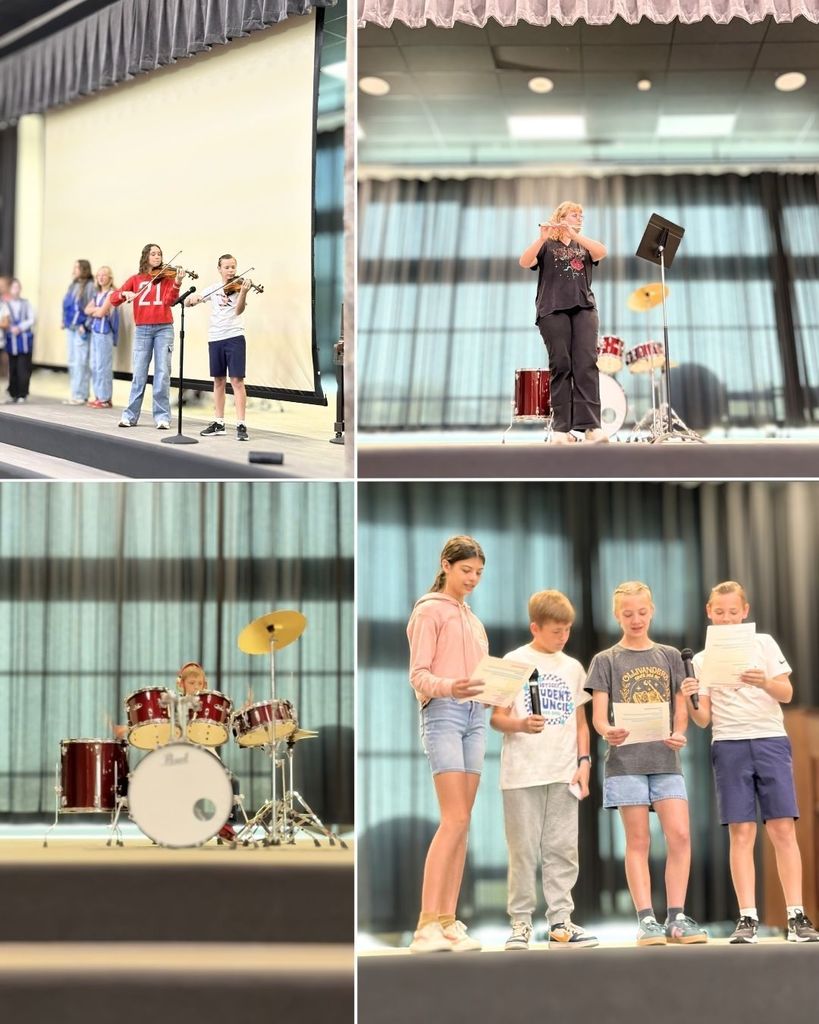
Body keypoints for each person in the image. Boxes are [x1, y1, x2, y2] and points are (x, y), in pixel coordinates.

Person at [682, 581, 819, 943]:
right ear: (709, 612)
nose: (726, 618)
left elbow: (787, 693)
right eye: (719, 612)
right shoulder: (701, 659)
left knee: (782, 828)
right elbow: (702, 719)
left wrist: (764, 682)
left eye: (733, 612)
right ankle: (747, 917)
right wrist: (691, 698)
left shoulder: (764, 643)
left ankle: (796, 915)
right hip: (728, 744)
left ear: (745, 612)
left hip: (770, 739)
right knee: (742, 832)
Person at [586, 580, 707, 946]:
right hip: (626, 761)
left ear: (652, 611)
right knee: (637, 840)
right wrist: (609, 731)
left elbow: (680, 710)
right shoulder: (605, 660)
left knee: (680, 835)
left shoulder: (670, 655)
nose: (635, 619)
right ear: (616, 615)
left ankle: (676, 916)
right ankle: (645, 919)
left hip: (666, 760)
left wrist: (680, 733)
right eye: (627, 614)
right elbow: (599, 716)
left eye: (641, 612)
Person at [491, 589, 597, 951]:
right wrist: (520, 725)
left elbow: (582, 724)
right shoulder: (513, 660)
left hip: (564, 771)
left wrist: (584, 763)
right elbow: (497, 718)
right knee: (522, 851)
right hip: (522, 773)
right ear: (535, 627)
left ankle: (560, 921)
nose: (563, 636)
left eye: (567, 630)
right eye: (555, 630)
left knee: (563, 849)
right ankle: (520, 922)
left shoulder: (573, 667)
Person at [406, 535, 488, 953]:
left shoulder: (474, 621)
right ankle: (425, 925)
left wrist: (495, 692)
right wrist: (452, 687)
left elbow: (479, 678)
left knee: (464, 823)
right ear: (446, 565)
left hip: (477, 716)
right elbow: (418, 675)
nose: (472, 578)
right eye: (465, 570)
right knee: (453, 818)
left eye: (477, 572)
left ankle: (448, 920)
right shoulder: (429, 611)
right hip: (443, 713)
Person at [518, 202, 608, 445]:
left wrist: (576, 234)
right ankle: (561, 429)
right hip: (552, 309)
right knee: (561, 364)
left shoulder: (584, 244)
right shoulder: (547, 245)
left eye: (581, 214)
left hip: (584, 308)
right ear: (561, 216)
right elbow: (525, 262)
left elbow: (601, 252)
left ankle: (591, 427)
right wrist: (541, 238)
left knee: (586, 364)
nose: (579, 216)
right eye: (573, 213)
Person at [107, 243, 183, 429]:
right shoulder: (136, 279)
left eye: (159, 254)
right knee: (139, 374)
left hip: (164, 328)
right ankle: (130, 416)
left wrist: (177, 283)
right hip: (142, 330)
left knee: (163, 373)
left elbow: (170, 301)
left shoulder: (166, 277)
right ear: (146, 257)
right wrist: (125, 293)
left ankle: (162, 417)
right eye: (153, 254)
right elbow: (113, 299)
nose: (157, 257)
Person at [186, 254, 253, 441]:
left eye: (233, 267)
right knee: (218, 381)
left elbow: (239, 310)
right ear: (219, 269)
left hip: (234, 336)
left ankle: (241, 424)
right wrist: (193, 299)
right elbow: (189, 302)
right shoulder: (214, 289)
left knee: (237, 381)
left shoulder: (240, 287)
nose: (231, 270)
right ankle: (219, 423)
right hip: (215, 338)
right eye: (227, 267)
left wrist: (244, 293)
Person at [61, 259, 96, 405]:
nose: (74, 270)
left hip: (82, 329)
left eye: (77, 267)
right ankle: (75, 393)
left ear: (84, 269)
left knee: (81, 362)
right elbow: (66, 305)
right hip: (71, 328)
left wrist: (86, 325)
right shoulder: (73, 285)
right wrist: (64, 320)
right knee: (72, 361)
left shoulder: (90, 286)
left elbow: (91, 307)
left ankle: (81, 394)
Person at [85, 265, 120, 408]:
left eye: (104, 275)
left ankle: (105, 398)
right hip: (95, 332)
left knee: (103, 366)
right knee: (95, 365)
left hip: (105, 333)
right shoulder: (97, 294)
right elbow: (87, 310)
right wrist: (97, 310)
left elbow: (99, 314)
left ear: (110, 278)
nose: (100, 277)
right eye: (98, 275)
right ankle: (98, 395)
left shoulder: (111, 294)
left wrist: (97, 311)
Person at [2, 278, 36, 404]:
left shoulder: (26, 303)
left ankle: (23, 393)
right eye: (14, 287)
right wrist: (10, 328)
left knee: (23, 368)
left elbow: (31, 319)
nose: (16, 290)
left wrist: (20, 327)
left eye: (18, 287)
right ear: (10, 289)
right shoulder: (6, 304)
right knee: (13, 367)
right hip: (11, 340)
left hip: (24, 341)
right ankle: (13, 393)